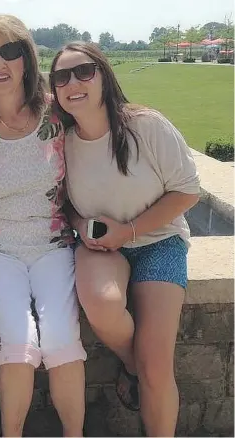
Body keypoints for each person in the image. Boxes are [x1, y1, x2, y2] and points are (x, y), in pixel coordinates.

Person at [49, 42, 200, 437]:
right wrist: (81, 224)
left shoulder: (145, 126)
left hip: (159, 241)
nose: (73, 83)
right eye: (61, 77)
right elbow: (61, 203)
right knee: (102, 304)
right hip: (100, 245)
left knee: (157, 368)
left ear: (103, 74)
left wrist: (130, 231)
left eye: (83, 71)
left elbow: (188, 192)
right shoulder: (62, 142)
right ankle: (131, 363)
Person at [0, 14, 87, 437]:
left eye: (10, 50)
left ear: (26, 58)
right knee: (17, 343)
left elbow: (105, 130)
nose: (0, 62)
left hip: (53, 243)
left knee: (63, 342)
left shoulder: (56, 115)